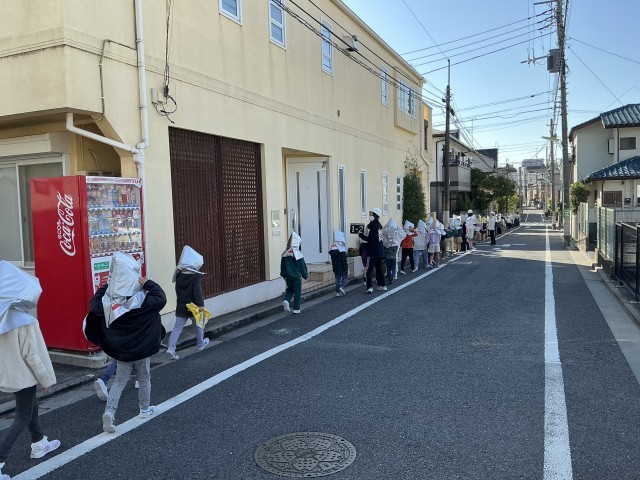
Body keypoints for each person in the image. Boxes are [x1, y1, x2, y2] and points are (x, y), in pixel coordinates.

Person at [84, 252, 167, 434]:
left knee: (120, 381)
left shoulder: (108, 305)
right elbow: (161, 297)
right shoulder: (143, 301)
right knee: (144, 377)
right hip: (142, 349)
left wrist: (107, 286)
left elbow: (93, 303)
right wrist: (148, 283)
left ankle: (109, 412)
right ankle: (144, 409)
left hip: (122, 350)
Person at [0, 262, 61, 479]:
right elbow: (33, 355)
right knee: (23, 415)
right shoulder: (25, 320)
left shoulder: (2, 315)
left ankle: (39, 442)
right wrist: (46, 379)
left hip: (7, 374)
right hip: (24, 374)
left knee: (30, 405)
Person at [166, 246, 209, 360]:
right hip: (193, 307)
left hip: (181, 305)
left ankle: (171, 348)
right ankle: (200, 344)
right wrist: (201, 305)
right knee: (199, 325)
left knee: (177, 328)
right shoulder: (195, 277)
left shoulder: (178, 274)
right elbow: (197, 292)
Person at [359, 208, 386, 293]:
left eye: (371, 214)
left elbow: (370, 239)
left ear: (375, 215)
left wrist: (360, 235)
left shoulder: (374, 225)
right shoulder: (379, 225)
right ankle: (382, 285)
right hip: (380, 250)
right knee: (378, 268)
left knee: (370, 269)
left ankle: (369, 287)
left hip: (374, 250)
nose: (370, 215)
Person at [280, 232, 308, 313]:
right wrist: (305, 275)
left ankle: (287, 300)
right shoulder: (298, 254)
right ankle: (296, 308)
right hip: (296, 276)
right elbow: (302, 266)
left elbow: (282, 266)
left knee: (289, 289)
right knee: (297, 292)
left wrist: (283, 274)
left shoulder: (285, 254)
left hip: (288, 275)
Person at [381, 219, 403, 285]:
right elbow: (403, 235)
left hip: (388, 251)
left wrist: (385, 226)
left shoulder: (386, 232)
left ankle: (389, 276)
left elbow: (382, 235)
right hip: (395, 249)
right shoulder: (397, 232)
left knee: (388, 265)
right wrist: (399, 228)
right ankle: (394, 276)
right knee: (394, 264)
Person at [329, 230, 349, 296]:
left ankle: (337, 292)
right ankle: (341, 287)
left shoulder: (333, 248)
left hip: (335, 267)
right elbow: (344, 261)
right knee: (345, 278)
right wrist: (346, 269)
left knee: (337, 279)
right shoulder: (342, 249)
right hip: (342, 267)